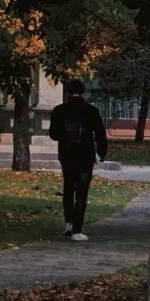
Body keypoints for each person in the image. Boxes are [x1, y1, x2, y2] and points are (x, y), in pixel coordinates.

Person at [48, 80, 108, 241]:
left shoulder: (59, 111)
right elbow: (100, 134)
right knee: (82, 191)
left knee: (68, 187)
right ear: (82, 92)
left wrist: (66, 137)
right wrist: (101, 153)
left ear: (67, 92)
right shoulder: (91, 111)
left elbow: (53, 134)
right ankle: (77, 230)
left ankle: (68, 223)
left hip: (67, 153)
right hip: (85, 154)